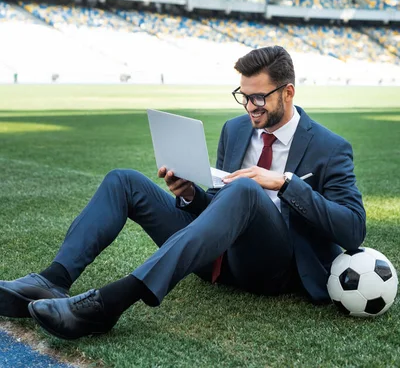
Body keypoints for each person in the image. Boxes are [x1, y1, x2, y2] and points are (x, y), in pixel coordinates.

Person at [0, 46, 366, 340]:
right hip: (215, 257)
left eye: (259, 99)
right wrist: (190, 194)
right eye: (243, 95)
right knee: (123, 180)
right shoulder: (235, 129)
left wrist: (285, 183)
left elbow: (352, 229)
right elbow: (218, 207)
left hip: (272, 268)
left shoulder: (330, 148)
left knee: (244, 190)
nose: (249, 107)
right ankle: (53, 280)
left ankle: (110, 304)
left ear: (287, 93)